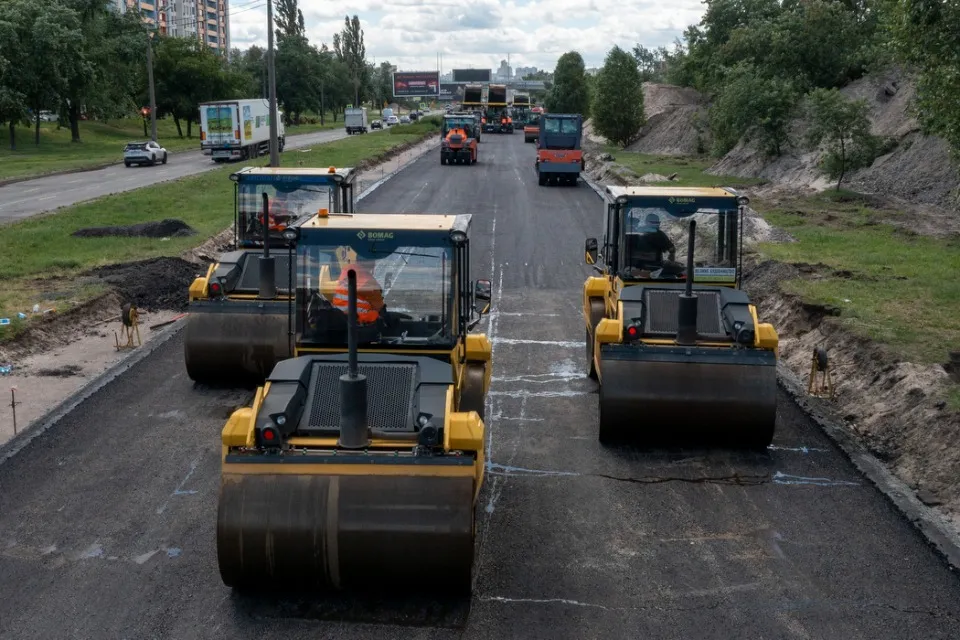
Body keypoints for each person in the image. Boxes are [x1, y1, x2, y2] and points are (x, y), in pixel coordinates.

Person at [331, 250, 385, 325]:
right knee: (376, 315)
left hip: (338, 318)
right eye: (373, 261)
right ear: (369, 262)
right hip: (358, 322)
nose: (374, 264)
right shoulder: (367, 280)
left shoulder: (347, 270)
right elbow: (379, 307)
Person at [624, 210, 685, 277]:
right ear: (646, 222)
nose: (656, 224)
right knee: (680, 270)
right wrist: (672, 256)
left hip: (635, 268)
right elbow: (671, 249)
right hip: (654, 268)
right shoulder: (659, 234)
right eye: (653, 222)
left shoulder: (635, 232)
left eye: (657, 222)